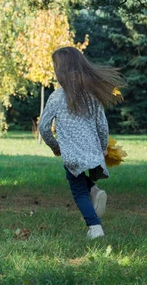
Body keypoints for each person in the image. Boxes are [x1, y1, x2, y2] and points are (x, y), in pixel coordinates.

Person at [39, 47, 125, 239]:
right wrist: (103, 147)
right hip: (93, 151)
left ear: (61, 70)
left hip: (72, 154)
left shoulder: (57, 96)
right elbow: (102, 125)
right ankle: (94, 190)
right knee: (77, 181)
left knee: (78, 191)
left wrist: (55, 147)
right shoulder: (91, 95)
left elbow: (44, 128)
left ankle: (95, 228)